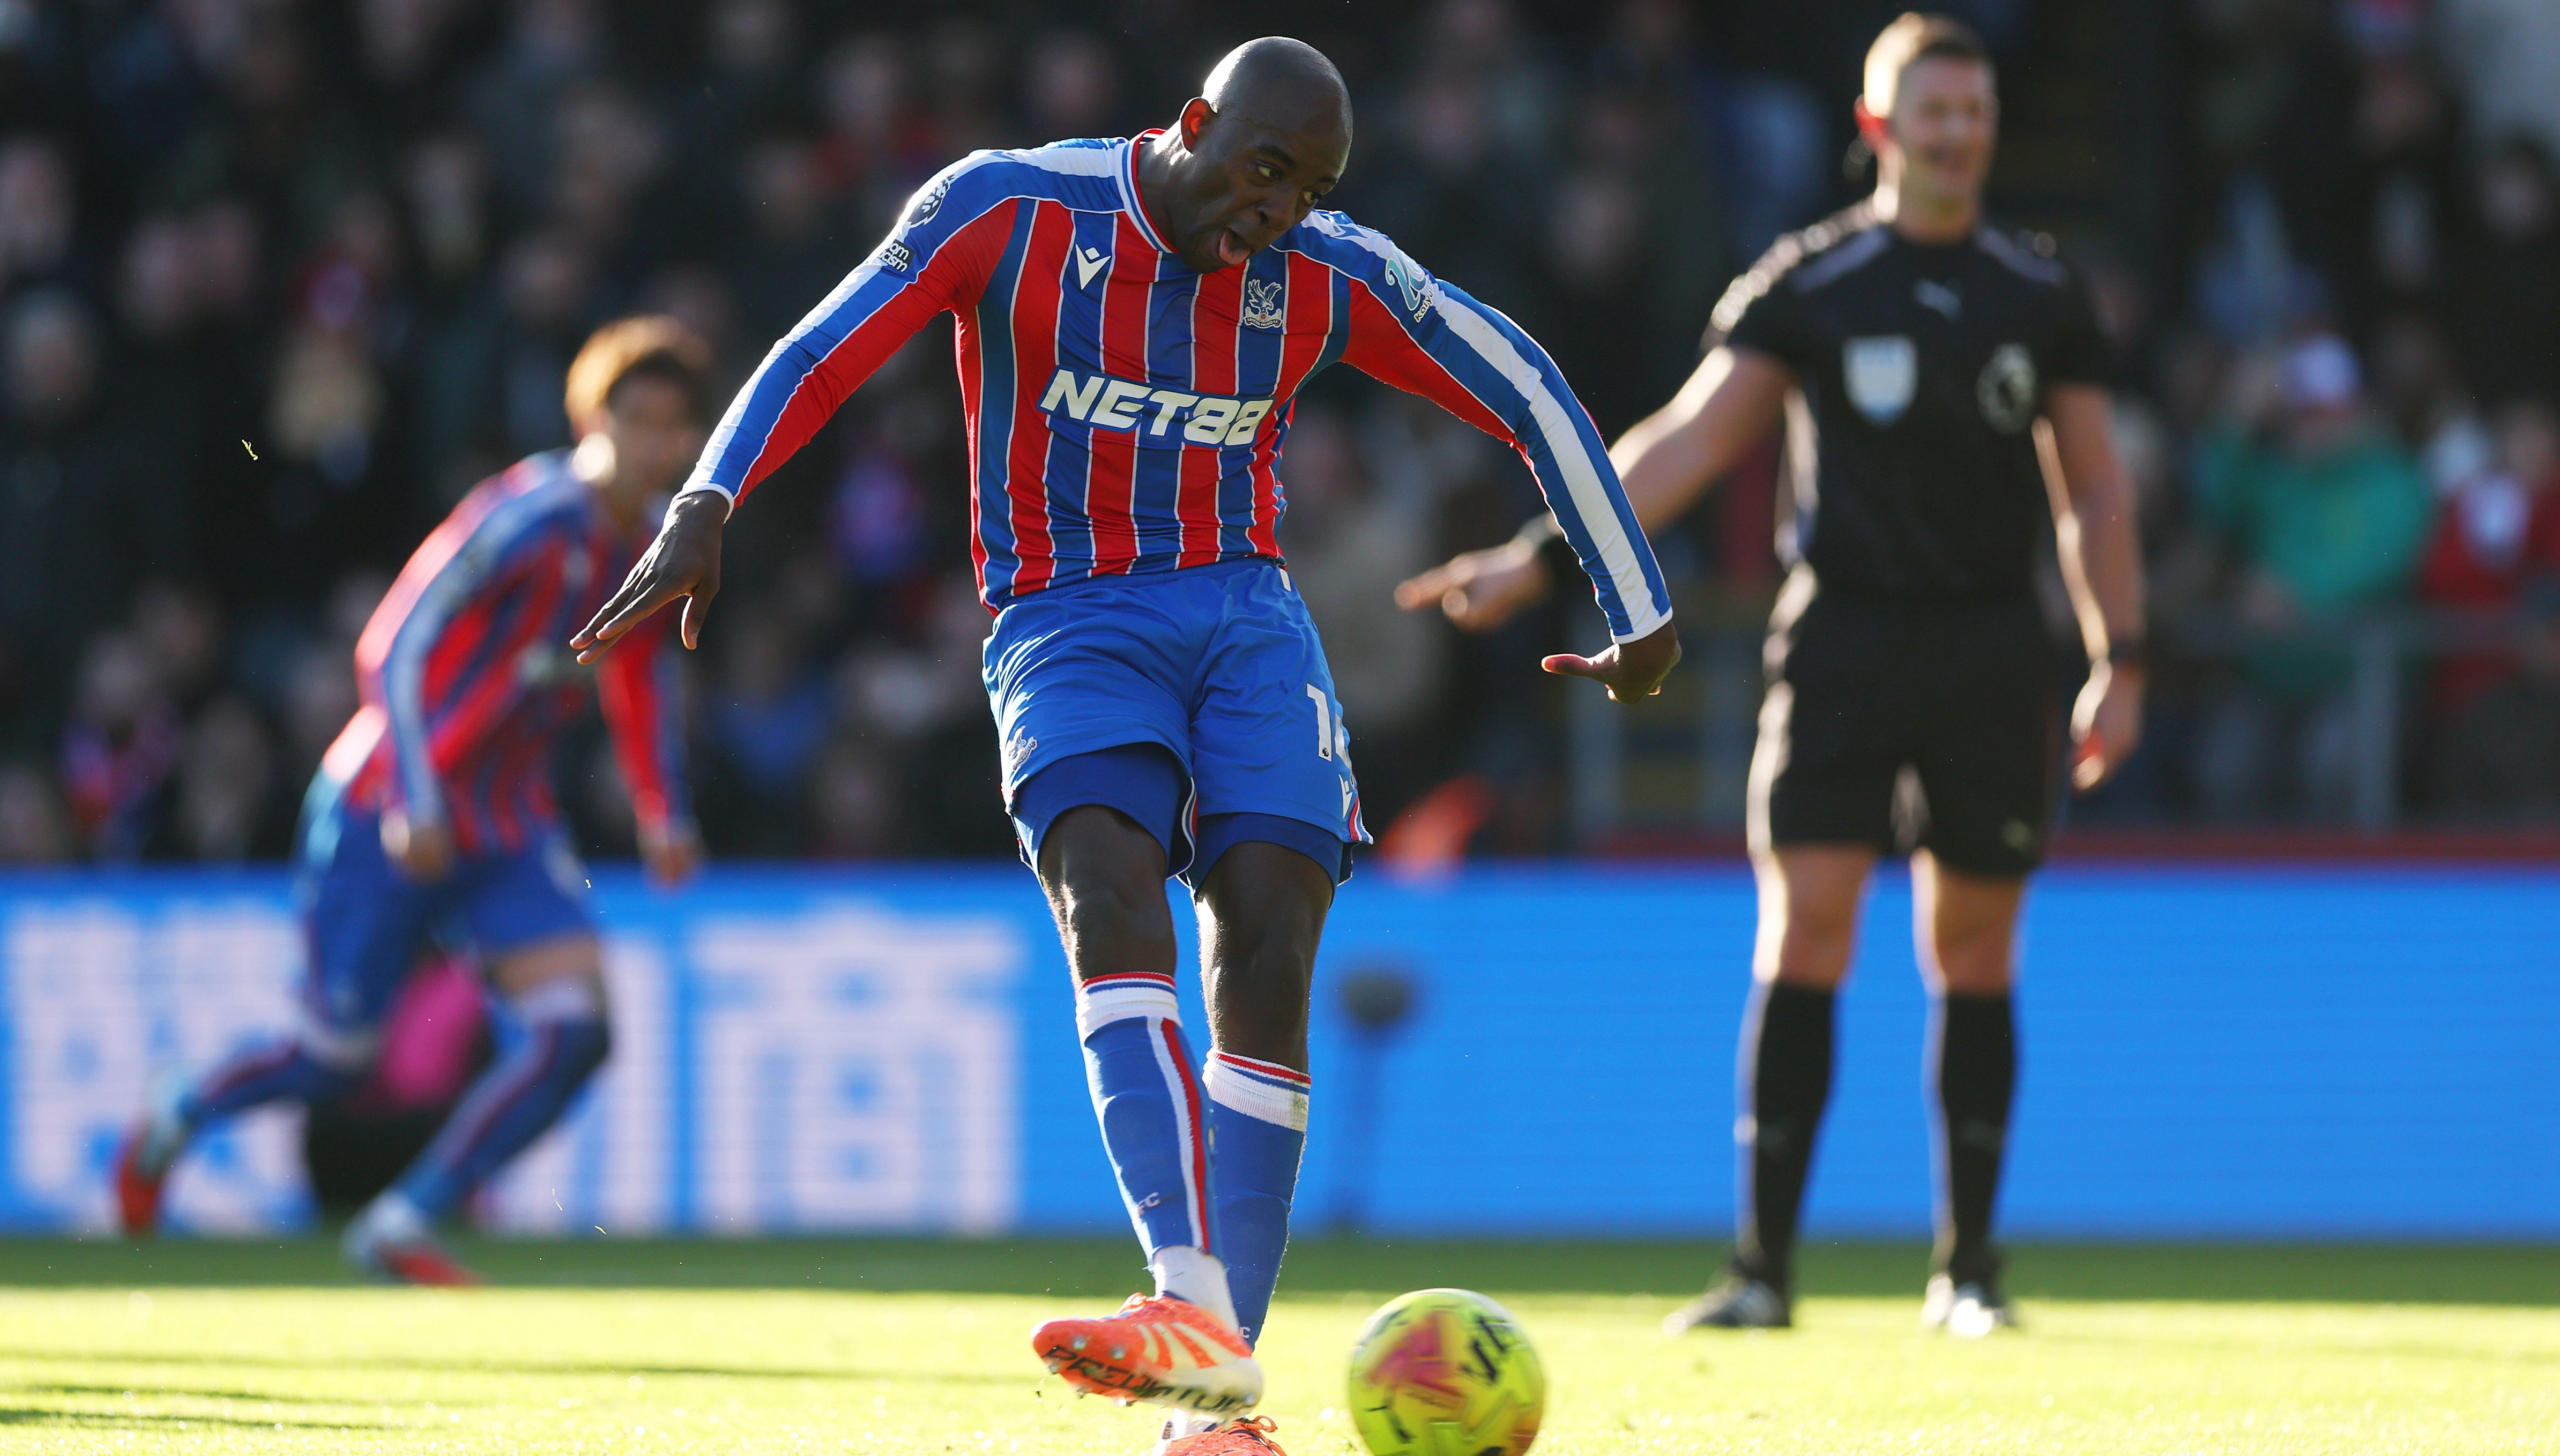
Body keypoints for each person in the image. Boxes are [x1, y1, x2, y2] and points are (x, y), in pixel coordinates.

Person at [571, 36, 1677, 1454]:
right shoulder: (1008, 208)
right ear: (1194, 124)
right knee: (1107, 886)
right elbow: (823, 343)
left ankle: (1212, 1384)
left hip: (1244, 615)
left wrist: (1635, 598)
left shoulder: (1323, 272)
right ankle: (1187, 1298)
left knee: (1269, 943)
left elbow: (1520, 381)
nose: (1275, 209)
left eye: (1310, 186)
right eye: (1263, 168)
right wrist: (710, 495)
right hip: (1067, 614)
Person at [1400, 12, 2145, 1336]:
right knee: (1804, 929)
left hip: (1988, 649)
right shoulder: (1809, 286)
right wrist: (1538, 551)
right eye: (1935, 111)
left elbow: (2091, 487)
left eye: (1975, 112)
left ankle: (1968, 1274)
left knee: (1972, 947)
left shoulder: (2038, 296)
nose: (1960, 133)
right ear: (1879, 127)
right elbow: (1689, 441)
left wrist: (2117, 654)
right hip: (1843, 643)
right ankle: (1761, 1274)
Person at [115, 317, 708, 1285]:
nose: (654, 445)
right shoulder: (523, 516)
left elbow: (637, 677)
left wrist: (662, 807)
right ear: (590, 418)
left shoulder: (648, 545)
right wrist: (420, 797)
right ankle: (179, 1108)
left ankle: (405, 1219)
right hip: (387, 802)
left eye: (672, 426)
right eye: (635, 420)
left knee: (577, 1032)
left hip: (506, 821)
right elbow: (393, 644)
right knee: (334, 1056)